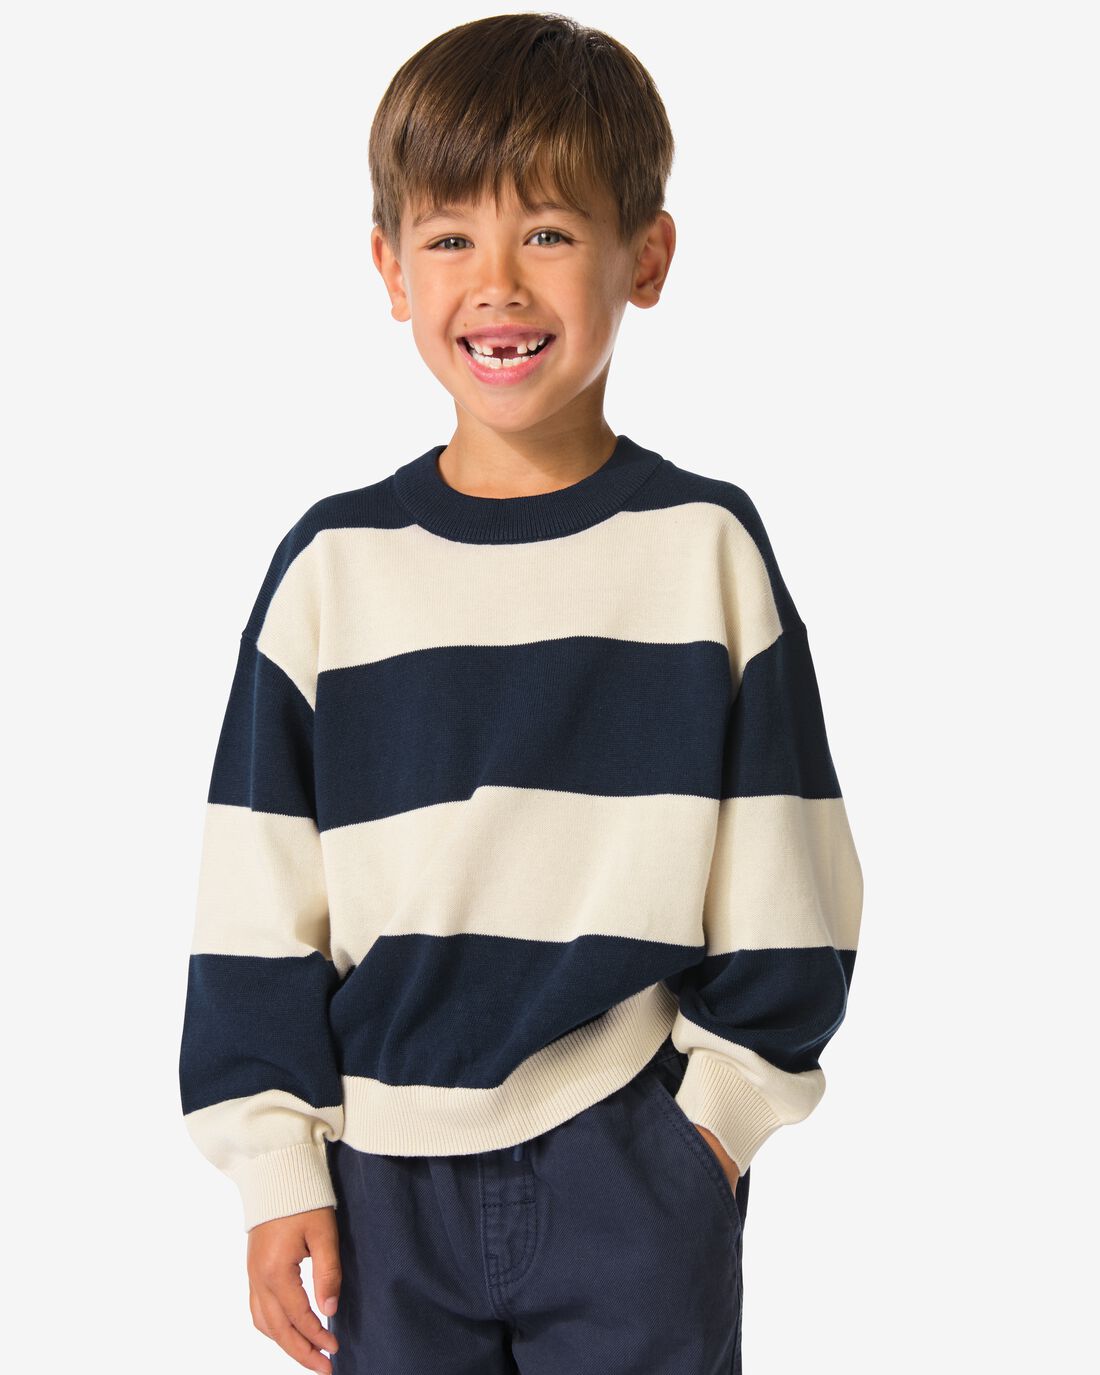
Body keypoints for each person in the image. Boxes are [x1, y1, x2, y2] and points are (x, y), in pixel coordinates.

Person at [178, 13, 864, 1375]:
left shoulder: (703, 550)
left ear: (645, 258)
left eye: (547, 232)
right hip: (380, 1180)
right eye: (450, 239)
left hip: (630, 1156)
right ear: (391, 268)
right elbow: (258, 891)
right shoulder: (333, 568)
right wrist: (274, 1166)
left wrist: (711, 1128)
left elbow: (792, 868)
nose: (496, 285)